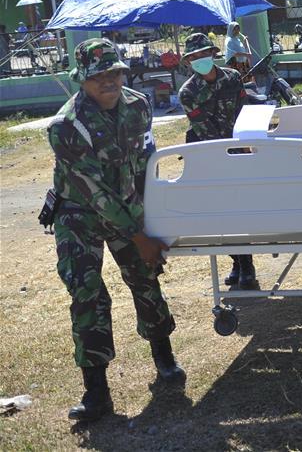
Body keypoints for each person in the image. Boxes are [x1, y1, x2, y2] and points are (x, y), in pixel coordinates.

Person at [47, 38, 185, 422]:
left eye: (114, 72)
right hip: (79, 211)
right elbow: (94, 193)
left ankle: (164, 358)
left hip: (125, 203)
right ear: (83, 81)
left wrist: (149, 217)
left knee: (146, 275)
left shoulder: (138, 106)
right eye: (98, 76)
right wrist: (138, 236)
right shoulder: (66, 126)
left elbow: (143, 163)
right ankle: (97, 393)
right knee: (87, 290)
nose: (108, 81)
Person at [178, 33, 257, 289]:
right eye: (195, 57)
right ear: (188, 61)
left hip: (238, 149)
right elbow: (203, 129)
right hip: (208, 154)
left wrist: (244, 144)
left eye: (204, 54)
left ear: (213, 53)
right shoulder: (188, 91)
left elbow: (244, 112)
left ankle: (246, 264)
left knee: (240, 210)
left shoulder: (232, 77)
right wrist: (224, 155)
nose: (201, 59)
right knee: (217, 213)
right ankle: (237, 261)